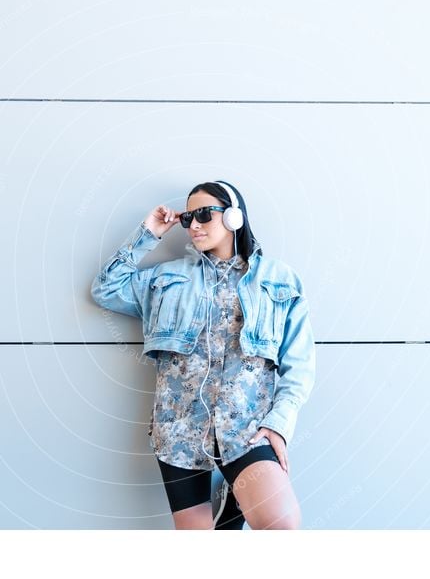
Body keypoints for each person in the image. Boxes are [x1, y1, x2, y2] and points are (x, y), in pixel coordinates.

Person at [90, 181, 315, 530]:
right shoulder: (169, 277)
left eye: (204, 215)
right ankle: (227, 506)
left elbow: (299, 364)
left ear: (234, 218)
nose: (194, 224)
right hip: (178, 430)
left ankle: (233, 496)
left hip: (248, 429)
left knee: (280, 522)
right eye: (189, 218)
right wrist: (148, 233)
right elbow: (106, 289)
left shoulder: (278, 279)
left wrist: (279, 425)